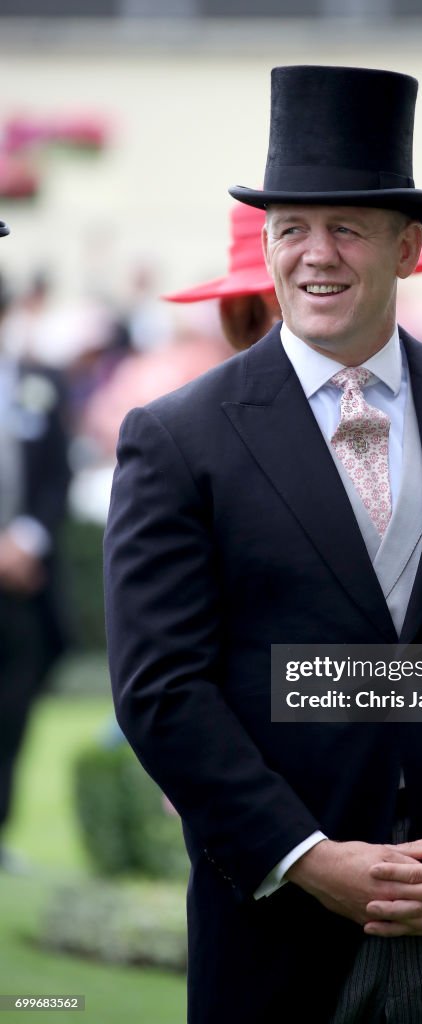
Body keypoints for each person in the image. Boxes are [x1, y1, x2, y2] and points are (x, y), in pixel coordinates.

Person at [104, 65, 422, 1024]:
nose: (312, 256)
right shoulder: (177, 438)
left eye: (346, 228)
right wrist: (304, 856)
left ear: (408, 247)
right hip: (277, 937)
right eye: (290, 228)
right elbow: (161, 690)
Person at [162, 198, 422, 350]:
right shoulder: (188, 426)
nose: (320, 258)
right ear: (269, 250)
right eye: (293, 230)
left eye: (345, 230)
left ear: (403, 251)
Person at [0, 224, 72, 868]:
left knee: (13, 708)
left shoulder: (36, 383)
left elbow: (57, 475)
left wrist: (25, 539)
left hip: (19, 583)